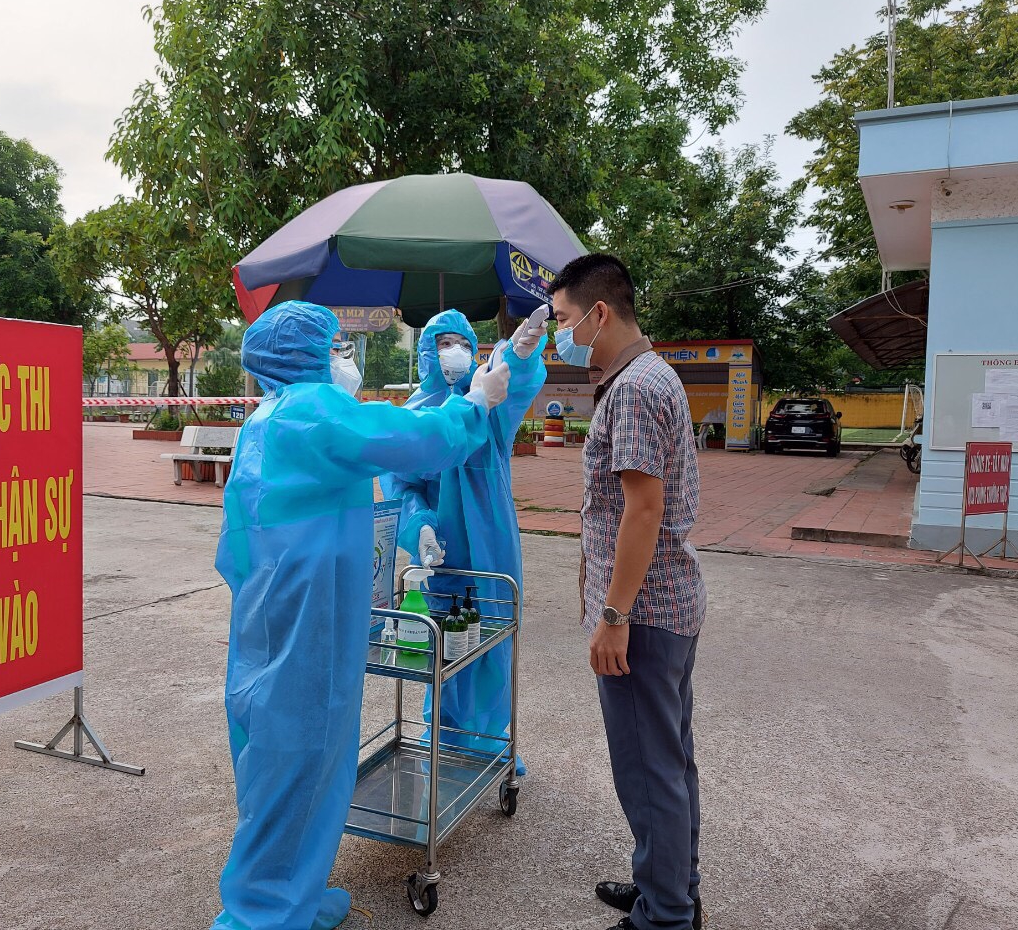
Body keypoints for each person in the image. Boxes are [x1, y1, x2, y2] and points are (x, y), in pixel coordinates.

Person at [211, 302, 513, 930]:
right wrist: (474, 402)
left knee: (290, 756)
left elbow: (235, 540)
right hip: (307, 616)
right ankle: (260, 915)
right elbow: (410, 442)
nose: (343, 358)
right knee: (300, 755)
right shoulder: (311, 411)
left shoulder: (268, 418)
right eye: (336, 347)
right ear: (305, 356)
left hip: (274, 610)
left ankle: (294, 890)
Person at [549, 255, 706, 930]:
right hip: (664, 605)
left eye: (562, 320)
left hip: (643, 615)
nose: (561, 333)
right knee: (667, 762)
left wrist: (614, 615)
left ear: (599, 313)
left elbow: (643, 509)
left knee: (649, 771)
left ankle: (665, 917)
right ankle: (668, 887)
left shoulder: (637, 389)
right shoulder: (646, 377)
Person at [379, 306, 548, 769]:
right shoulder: (414, 414)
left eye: (462, 343)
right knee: (446, 644)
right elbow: (401, 485)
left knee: (493, 640)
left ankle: (490, 740)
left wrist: (522, 350)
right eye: (441, 343)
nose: (453, 352)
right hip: (442, 551)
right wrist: (420, 527)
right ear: (424, 354)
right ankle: (446, 735)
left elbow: (514, 383)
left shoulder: (489, 401)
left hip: (493, 544)